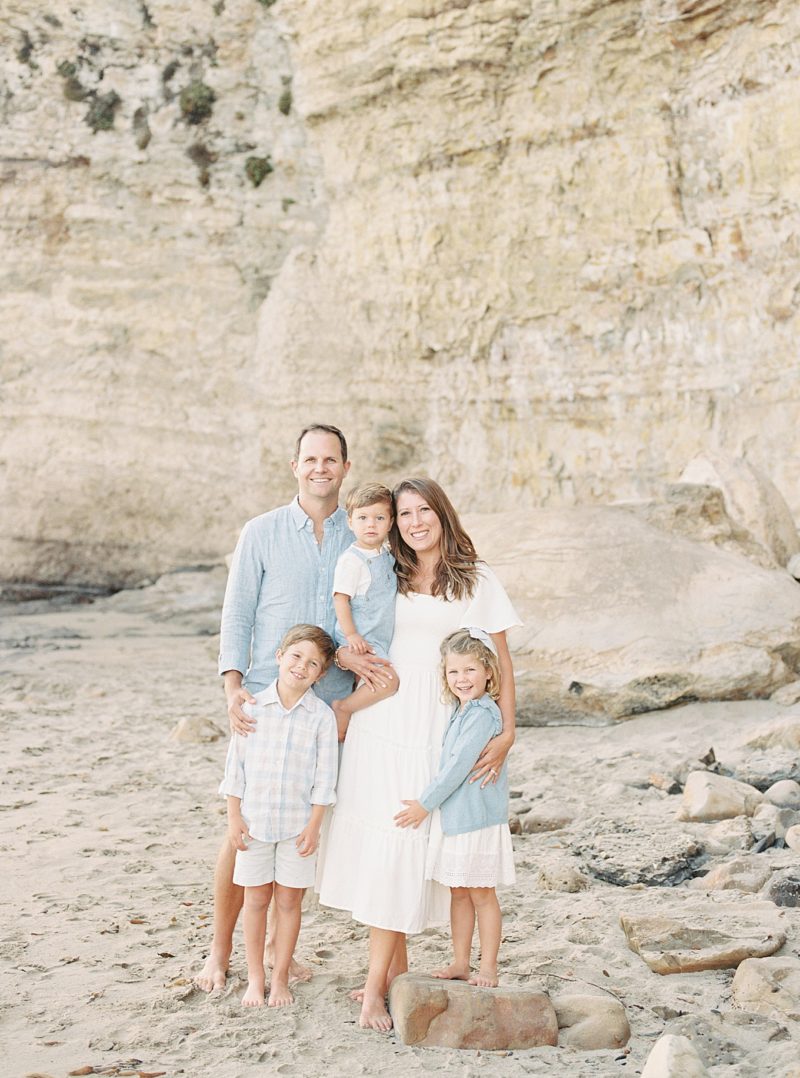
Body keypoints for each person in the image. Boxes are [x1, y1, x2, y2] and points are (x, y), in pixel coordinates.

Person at [316, 477, 520, 1031]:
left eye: (423, 510)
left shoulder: (474, 580)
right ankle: (384, 978)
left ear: (442, 514)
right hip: (382, 720)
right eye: (403, 514)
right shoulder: (388, 571)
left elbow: (500, 657)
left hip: (435, 728)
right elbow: (351, 629)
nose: (413, 522)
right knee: (382, 843)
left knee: (405, 843)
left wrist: (507, 731)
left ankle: (377, 987)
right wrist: (348, 663)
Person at [196, 424, 392, 992]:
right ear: (295, 465)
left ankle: (283, 957)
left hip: (331, 706)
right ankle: (219, 950)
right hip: (265, 698)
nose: (320, 468)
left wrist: (355, 690)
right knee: (243, 833)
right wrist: (233, 687)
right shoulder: (260, 532)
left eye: (330, 459)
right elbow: (237, 614)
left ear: (345, 468)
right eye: (310, 459)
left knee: (305, 829)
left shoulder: (362, 537)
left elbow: (374, 611)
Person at [221, 625, 339, 1006]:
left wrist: (315, 826)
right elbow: (234, 770)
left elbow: (325, 779)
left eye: (313, 664)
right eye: (296, 657)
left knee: (289, 903)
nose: (301, 667)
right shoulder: (252, 707)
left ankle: (281, 977)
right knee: (255, 901)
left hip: (297, 828)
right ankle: (256, 978)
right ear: (279, 655)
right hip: (255, 825)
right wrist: (233, 818)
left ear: (321, 675)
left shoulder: (321, 718)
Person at [394, 627, 514, 988]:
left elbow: (459, 766)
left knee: (481, 893)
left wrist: (424, 805)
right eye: (454, 672)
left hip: (478, 819)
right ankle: (461, 961)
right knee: (458, 892)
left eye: (470, 670)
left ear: (488, 671)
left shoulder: (483, 714)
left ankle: (488, 966)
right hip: (458, 819)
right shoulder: (460, 712)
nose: (462, 679)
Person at [331, 482, 399, 742]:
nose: (371, 525)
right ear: (350, 522)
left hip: (379, 635)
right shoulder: (351, 560)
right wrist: (352, 635)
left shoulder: (385, 553)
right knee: (387, 682)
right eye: (362, 518)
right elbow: (341, 599)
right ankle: (344, 708)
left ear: (390, 522)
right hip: (363, 639)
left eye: (379, 518)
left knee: (375, 686)